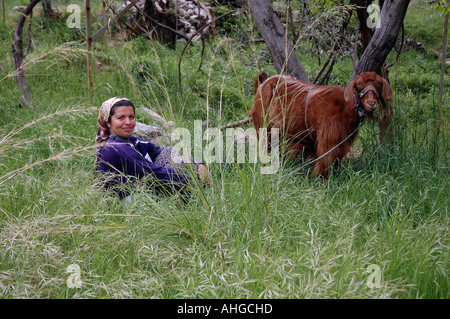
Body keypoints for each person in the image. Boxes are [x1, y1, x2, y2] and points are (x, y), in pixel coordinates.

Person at [95, 97, 210, 201]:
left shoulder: (131, 141)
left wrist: (198, 164)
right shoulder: (115, 148)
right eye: (121, 118)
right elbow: (154, 174)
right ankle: (189, 200)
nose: (128, 122)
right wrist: (195, 180)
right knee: (169, 176)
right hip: (127, 204)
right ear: (108, 122)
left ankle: (191, 196)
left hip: (142, 192)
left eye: (131, 117)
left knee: (169, 152)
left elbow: (162, 152)